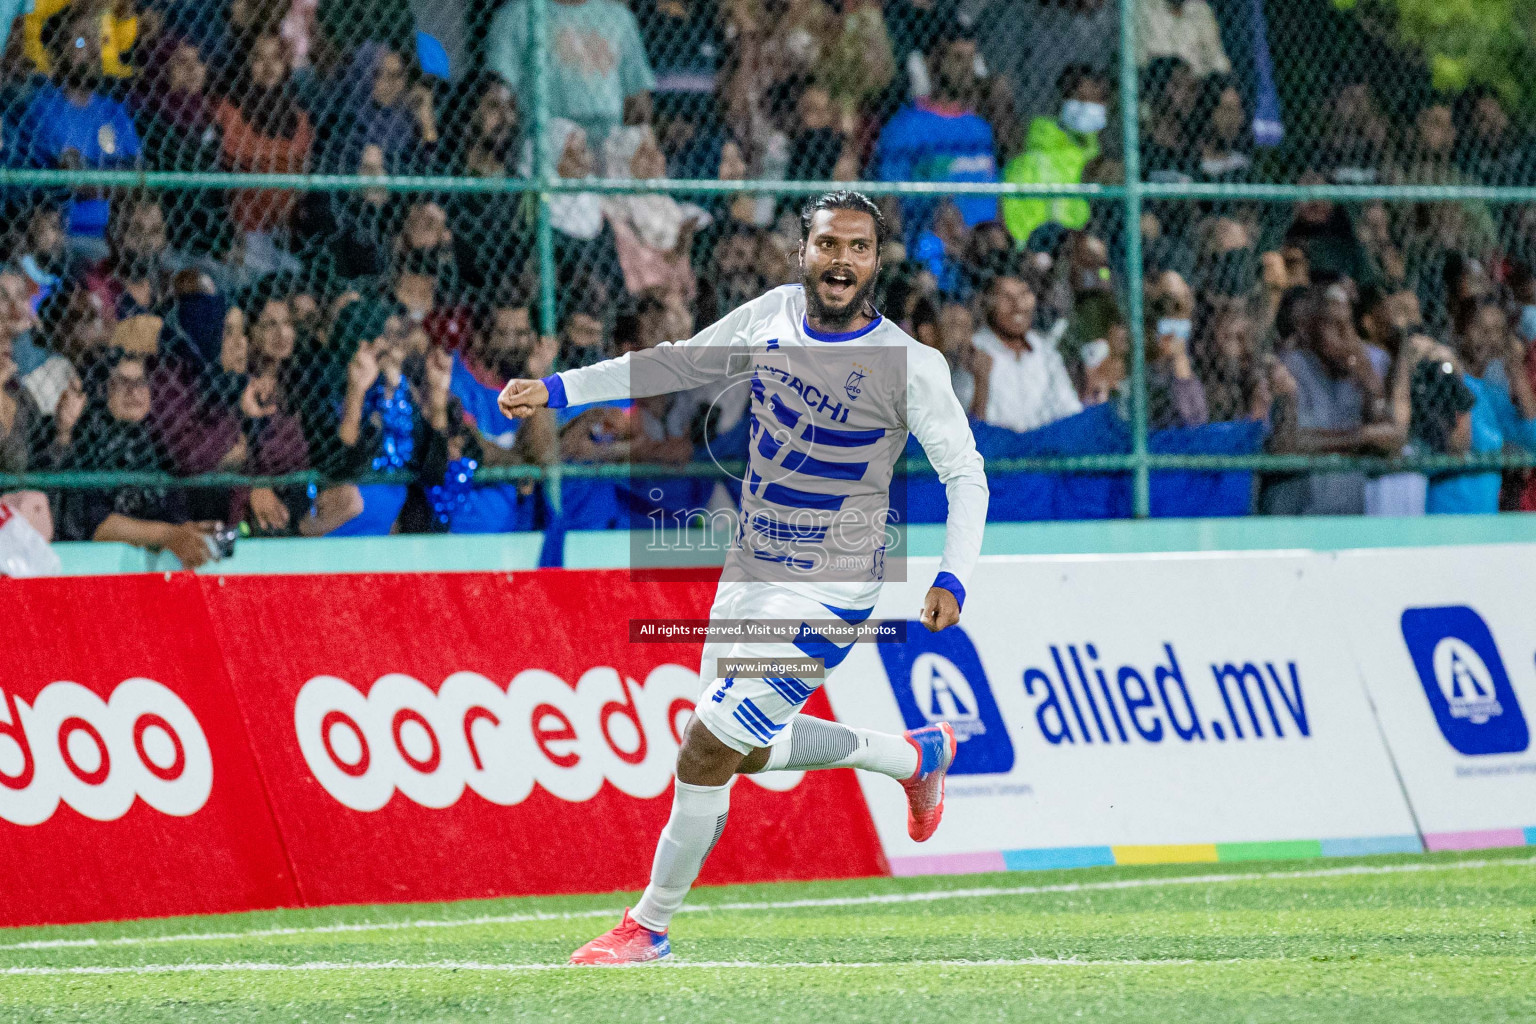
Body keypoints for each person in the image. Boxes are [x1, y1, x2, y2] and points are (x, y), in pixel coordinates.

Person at [496, 191, 987, 964]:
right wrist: (559, 389)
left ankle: (647, 927)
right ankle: (914, 756)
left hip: (832, 591)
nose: (841, 261)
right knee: (743, 750)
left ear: (877, 261)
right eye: (828, 245)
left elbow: (966, 475)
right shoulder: (771, 315)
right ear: (803, 252)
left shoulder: (910, 365)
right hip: (750, 569)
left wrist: (952, 578)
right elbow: (675, 362)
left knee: (705, 746)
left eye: (858, 248)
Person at [1262, 287, 1401, 515]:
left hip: (1345, 522)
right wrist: (1359, 437)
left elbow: (1390, 440)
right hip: (1296, 519)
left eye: (1348, 325)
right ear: (1309, 329)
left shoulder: (1358, 370)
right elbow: (1285, 444)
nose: (1344, 334)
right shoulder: (1291, 366)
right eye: (1332, 324)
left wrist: (1371, 384)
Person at [873, 28, 999, 237]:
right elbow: (890, 200)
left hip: (982, 244)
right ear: (934, 63)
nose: (967, 68)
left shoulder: (981, 129)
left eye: (971, 59)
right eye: (958, 59)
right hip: (930, 240)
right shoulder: (906, 126)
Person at [486, 0, 656, 147]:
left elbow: (638, 98)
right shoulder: (518, 15)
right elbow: (499, 91)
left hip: (607, 147)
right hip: (545, 147)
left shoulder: (619, 18)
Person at [1428, 302, 1536, 514]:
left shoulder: (1492, 393)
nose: (1488, 336)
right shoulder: (1449, 380)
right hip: (1450, 509)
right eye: (1480, 327)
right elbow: (1461, 443)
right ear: (1460, 330)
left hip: (1484, 514)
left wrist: (1514, 366)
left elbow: (1531, 435)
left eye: (1497, 330)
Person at [1000, 63, 1108, 247]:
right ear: (1063, 99)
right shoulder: (1035, 136)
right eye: (1079, 99)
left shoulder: (1098, 152)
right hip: (1024, 240)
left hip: (1074, 242)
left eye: (1094, 100)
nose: (1087, 108)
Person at [968, 266, 1082, 431]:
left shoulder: (1045, 351)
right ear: (988, 303)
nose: (1018, 305)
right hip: (995, 450)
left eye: (1024, 294)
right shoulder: (975, 349)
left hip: (1045, 448)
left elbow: (1069, 410)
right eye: (1006, 297)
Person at [1135, 0, 1231, 79]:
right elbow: (1140, 63)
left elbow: (1218, 62)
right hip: (1159, 82)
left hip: (1198, 86)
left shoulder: (1200, 8)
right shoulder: (1144, 7)